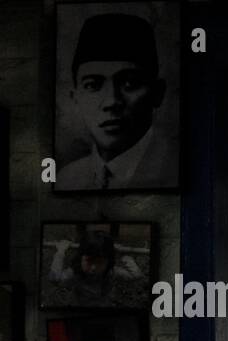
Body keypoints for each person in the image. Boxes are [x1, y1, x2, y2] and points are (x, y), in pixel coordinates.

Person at [59, 12, 175, 190]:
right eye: (92, 85)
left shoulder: (173, 170)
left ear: (157, 93)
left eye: (130, 83)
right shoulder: (67, 178)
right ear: (75, 98)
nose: (112, 101)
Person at [47, 227, 143, 307]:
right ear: (80, 258)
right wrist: (60, 252)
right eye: (89, 261)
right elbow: (54, 278)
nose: (93, 268)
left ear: (108, 261)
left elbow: (136, 275)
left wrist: (124, 255)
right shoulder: (77, 273)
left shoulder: (110, 272)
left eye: (100, 262)